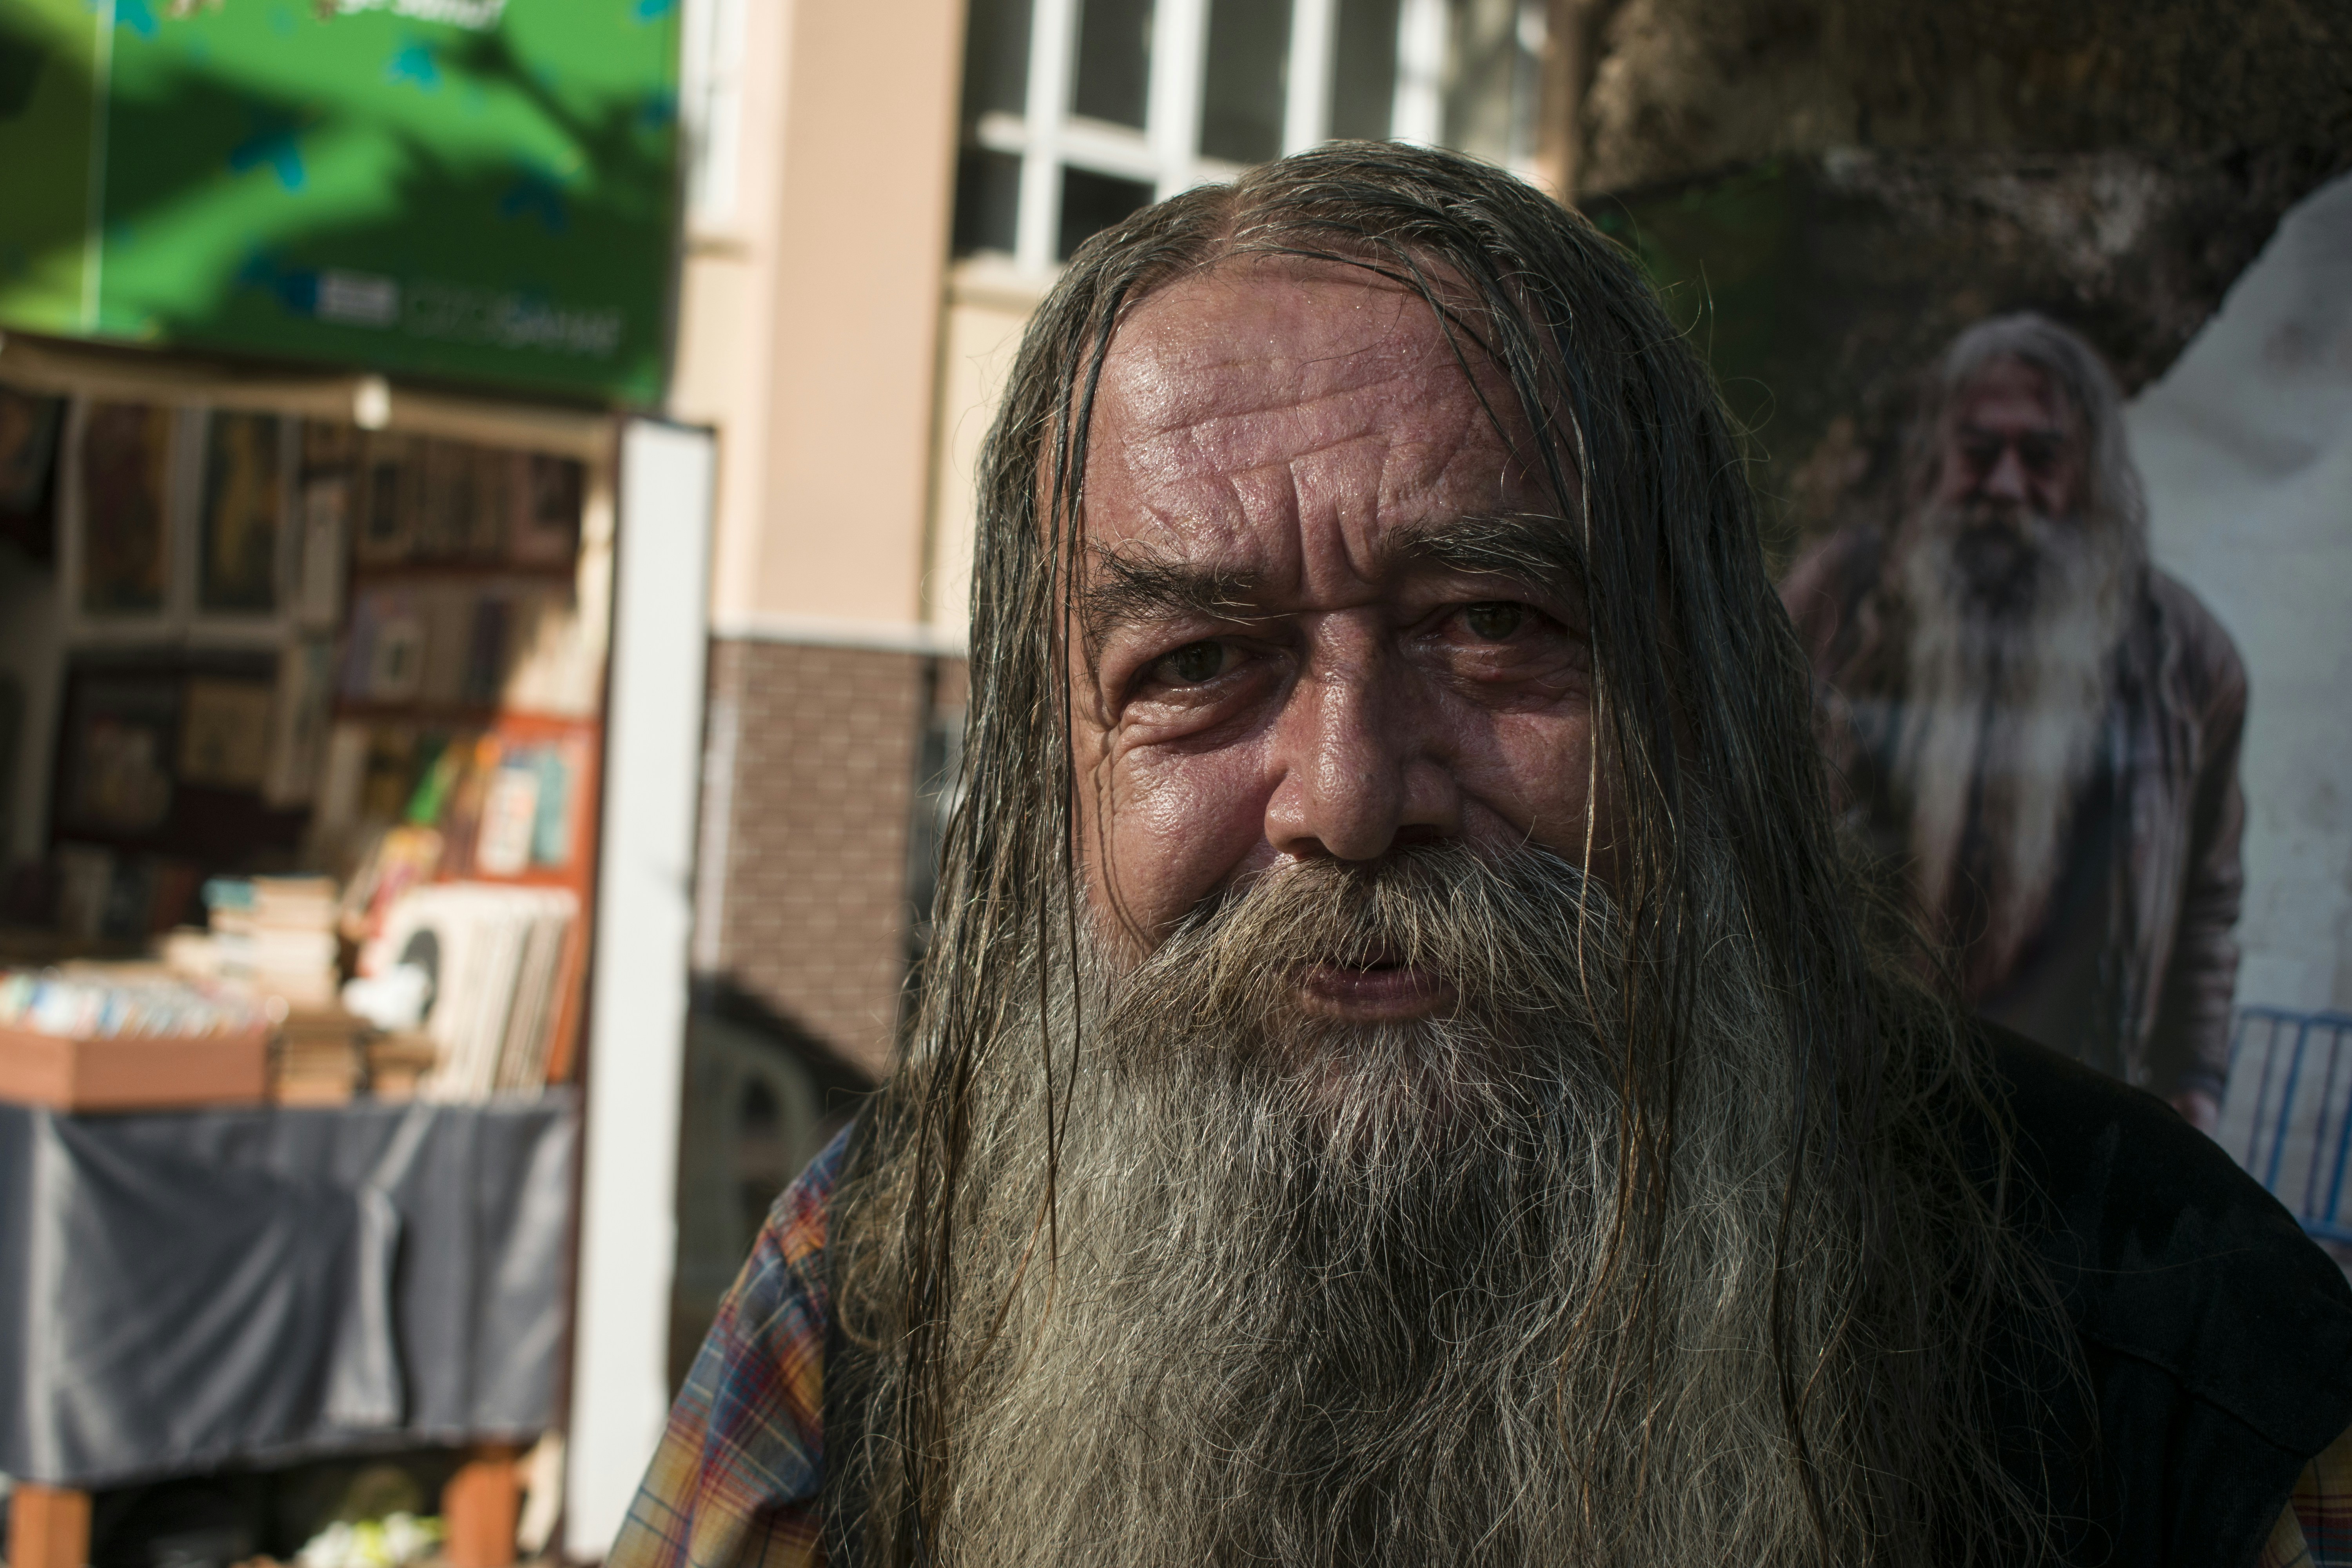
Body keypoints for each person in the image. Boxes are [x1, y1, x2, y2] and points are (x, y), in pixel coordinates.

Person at [612, 147, 2351, 1568]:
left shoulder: (2176, 1349)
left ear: (1711, 700)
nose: (1352, 800)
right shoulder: (883, 1266)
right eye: (1197, 666)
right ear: (1051, 762)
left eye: (1496, 622)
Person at [1779, 315, 2246, 1132]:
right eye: (1978, 451)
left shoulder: (2188, 659)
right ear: (1936, 455)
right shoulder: (1836, 597)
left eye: (2041, 458)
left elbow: (2206, 894)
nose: (2003, 486)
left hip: (2075, 1117)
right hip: (1848, 1097)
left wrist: (2194, 1078)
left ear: (2090, 473)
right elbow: (1742, 811)